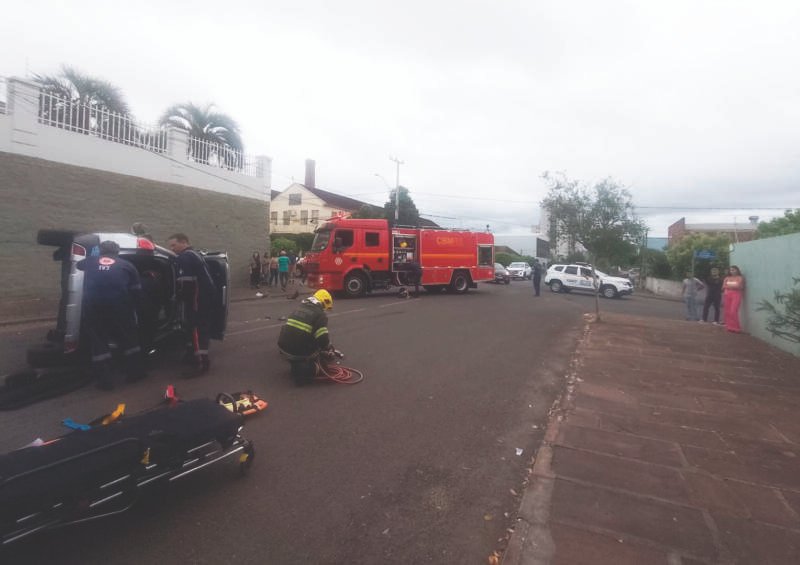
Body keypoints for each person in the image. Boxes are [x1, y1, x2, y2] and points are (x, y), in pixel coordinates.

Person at [77, 240, 146, 390]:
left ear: (101, 250)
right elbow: (136, 291)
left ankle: (105, 381)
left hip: (94, 307)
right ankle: (134, 374)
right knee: (129, 339)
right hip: (119, 307)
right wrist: (138, 309)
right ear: (118, 251)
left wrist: (95, 256)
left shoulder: (89, 262)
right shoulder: (128, 265)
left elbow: (78, 265)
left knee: (99, 341)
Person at [167, 233, 216, 375]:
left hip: (197, 299)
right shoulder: (195, 254)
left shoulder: (185, 257)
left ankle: (201, 364)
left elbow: (186, 284)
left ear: (183, 242)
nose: (172, 248)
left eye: (173, 245)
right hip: (203, 298)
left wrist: (176, 298)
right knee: (194, 329)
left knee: (197, 330)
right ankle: (191, 355)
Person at [277, 289, 335, 385]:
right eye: (326, 308)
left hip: (282, 346)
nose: (325, 311)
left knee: (308, 336)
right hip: (295, 351)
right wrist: (329, 347)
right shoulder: (320, 315)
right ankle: (305, 370)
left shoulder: (301, 307)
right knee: (322, 365)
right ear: (323, 303)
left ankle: (297, 364)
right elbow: (323, 339)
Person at [723, 265, 746, 333]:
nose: (732, 271)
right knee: (727, 311)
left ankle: (736, 328)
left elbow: (739, 286)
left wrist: (729, 285)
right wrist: (733, 285)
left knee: (733, 311)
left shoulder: (740, 278)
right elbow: (724, 286)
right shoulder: (727, 278)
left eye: (733, 270)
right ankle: (729, 327)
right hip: (727, 295)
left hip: (736, 295)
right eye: (731, 270)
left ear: (737, 270)